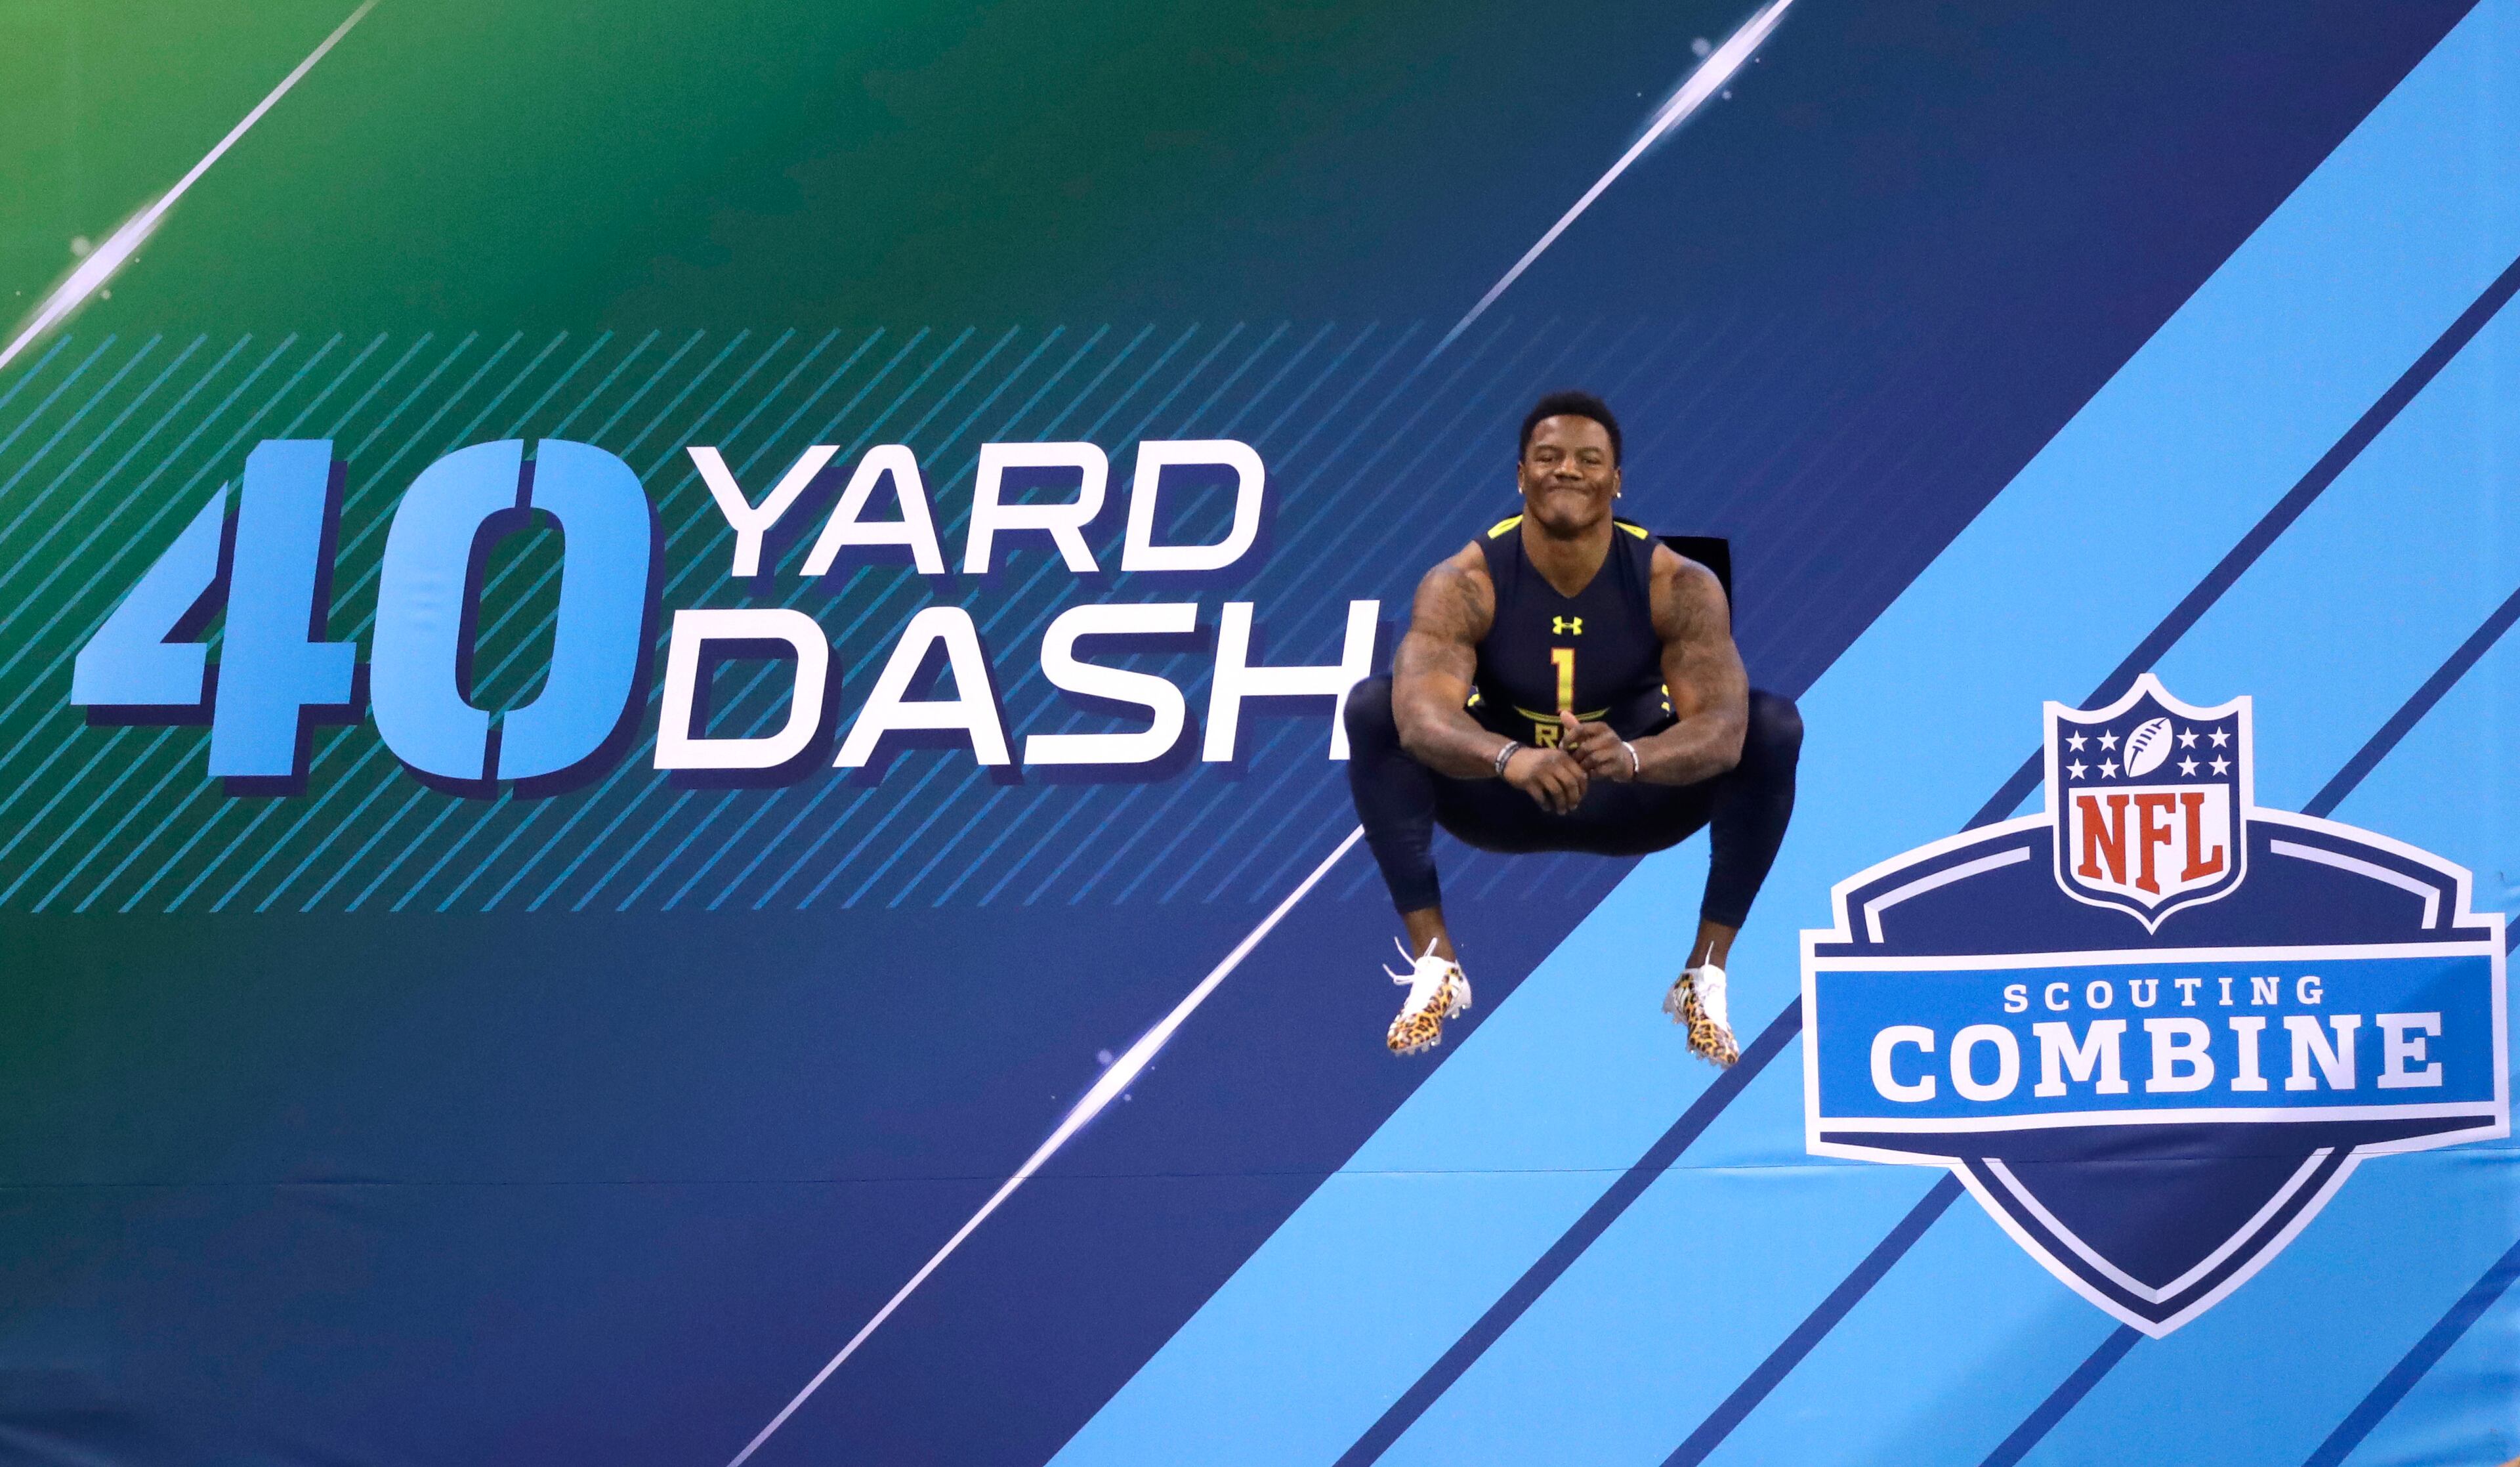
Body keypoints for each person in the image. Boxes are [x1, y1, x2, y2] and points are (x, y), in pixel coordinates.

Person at [1342, 391, 1801, 1066]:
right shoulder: (1463, 580)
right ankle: (1436, 964)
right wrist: (1509, 757)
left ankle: (1704, 975)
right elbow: (1419, 718)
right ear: (1520, 475)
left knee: (1772, 725)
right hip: (1504, 796)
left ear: (1616, 481)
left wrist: (1637, 757)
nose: (1567, 469)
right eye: (1548, 457)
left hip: (1632, 796)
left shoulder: (1678, 582)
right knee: (1372, 706)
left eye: (1589, 459)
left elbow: (1724, 729)